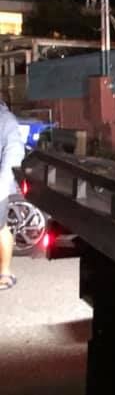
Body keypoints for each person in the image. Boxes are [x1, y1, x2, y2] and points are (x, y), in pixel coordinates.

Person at [0, 99, 25, 290]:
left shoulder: (6, 120)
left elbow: (14, 151)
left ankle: (4, 273)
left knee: (0, 229)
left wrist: (2, 184)